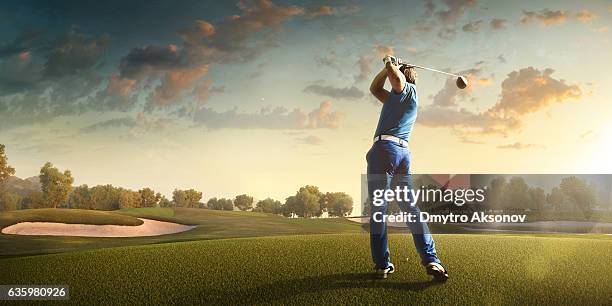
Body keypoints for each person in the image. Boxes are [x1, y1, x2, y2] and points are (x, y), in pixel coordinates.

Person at [367, 55, 448, 281]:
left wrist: (391, 64)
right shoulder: (396, 98)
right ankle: (432, 260)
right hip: (402, 155)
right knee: (410, 209)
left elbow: (396, 79)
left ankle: (382, 264)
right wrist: (388, 67)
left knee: (379, 211)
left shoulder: (407, 89)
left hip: (385, 152)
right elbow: (374, 88)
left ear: (404, 74)